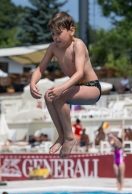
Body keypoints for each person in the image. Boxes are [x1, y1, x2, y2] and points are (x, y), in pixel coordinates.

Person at [30, 12, 101, 158]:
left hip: (92, 88)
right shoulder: (53, 48)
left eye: (59, 33)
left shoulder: (78, 45)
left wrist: (62, 88)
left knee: (59, 95)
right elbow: (40, 68)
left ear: (71, 31)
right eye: (53, 34)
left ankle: (69, 137)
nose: (56, 37)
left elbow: (80, 73)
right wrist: (32, 82)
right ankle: (61, 136)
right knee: (49, 96)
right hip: (75, 88)